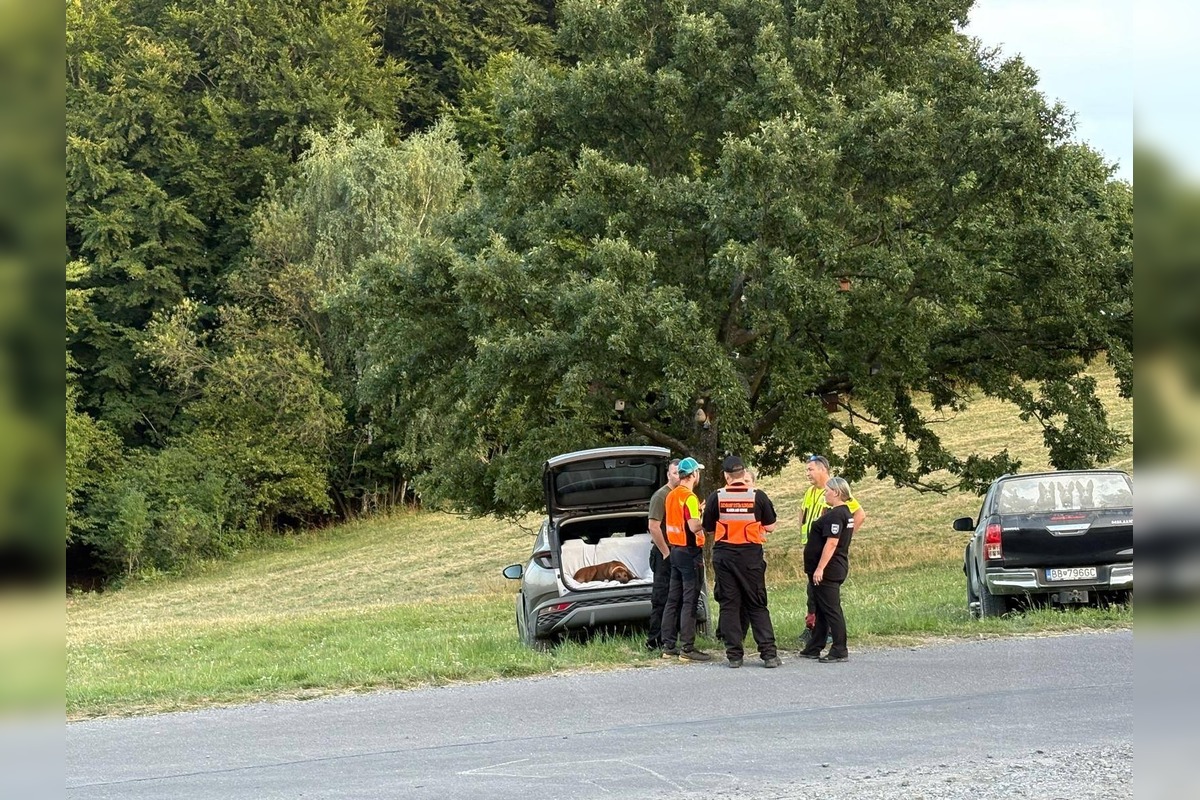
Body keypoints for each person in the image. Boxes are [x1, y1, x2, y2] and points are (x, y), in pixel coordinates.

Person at [702, 455, 781, 669]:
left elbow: (708, 528)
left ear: (726, 476)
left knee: (729, 604)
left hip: (725, 556)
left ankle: (734, 656)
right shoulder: (758, 496)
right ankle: (769, 655)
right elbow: (771, 526)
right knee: (757, 604)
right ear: (744, 473)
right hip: (750, 557)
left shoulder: (716, 497)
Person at [797, 454, 866, 645]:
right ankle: (813, 630)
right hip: (813, 548)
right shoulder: (810, 492)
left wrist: (843, 538)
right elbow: (802, 512)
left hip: (826, 552)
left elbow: (859, 514)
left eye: (810, 469)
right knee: (812, 593)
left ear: (823, 470)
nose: (807, 473)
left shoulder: (834, 490)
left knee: (824, 594)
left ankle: (828, 635)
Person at [659, 457, 711, 662]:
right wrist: (707, 517)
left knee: (673, 599)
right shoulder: (689, 497)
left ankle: (668, 645)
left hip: (675, 551)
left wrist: (698, 510)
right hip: (690, 552)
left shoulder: (671, 495)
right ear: (694, 474)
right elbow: (693, 526)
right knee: (690, 600)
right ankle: (687, 648)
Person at [799, 477, 857, 662]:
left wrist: (820, 568)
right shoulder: (844, 513)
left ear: (837, 492)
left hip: (829, 569)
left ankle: (840, 648)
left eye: (827, 491)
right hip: (833, 567)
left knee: (831, 610)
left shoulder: (836, 515)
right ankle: (815, 646)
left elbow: (832, 543)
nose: (825, 494)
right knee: (822, 608)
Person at [645, 458, 681, 650]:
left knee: (677, 597)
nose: (678, 476)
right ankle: (654, 640)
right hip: (664, 553)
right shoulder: (661, 496)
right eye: (675, 473)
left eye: (681, 473)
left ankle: (673, 637)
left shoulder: (683, 495)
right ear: (668, 475)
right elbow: (653, 527)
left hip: (680, 551)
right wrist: (666, 553)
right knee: (661, 598)